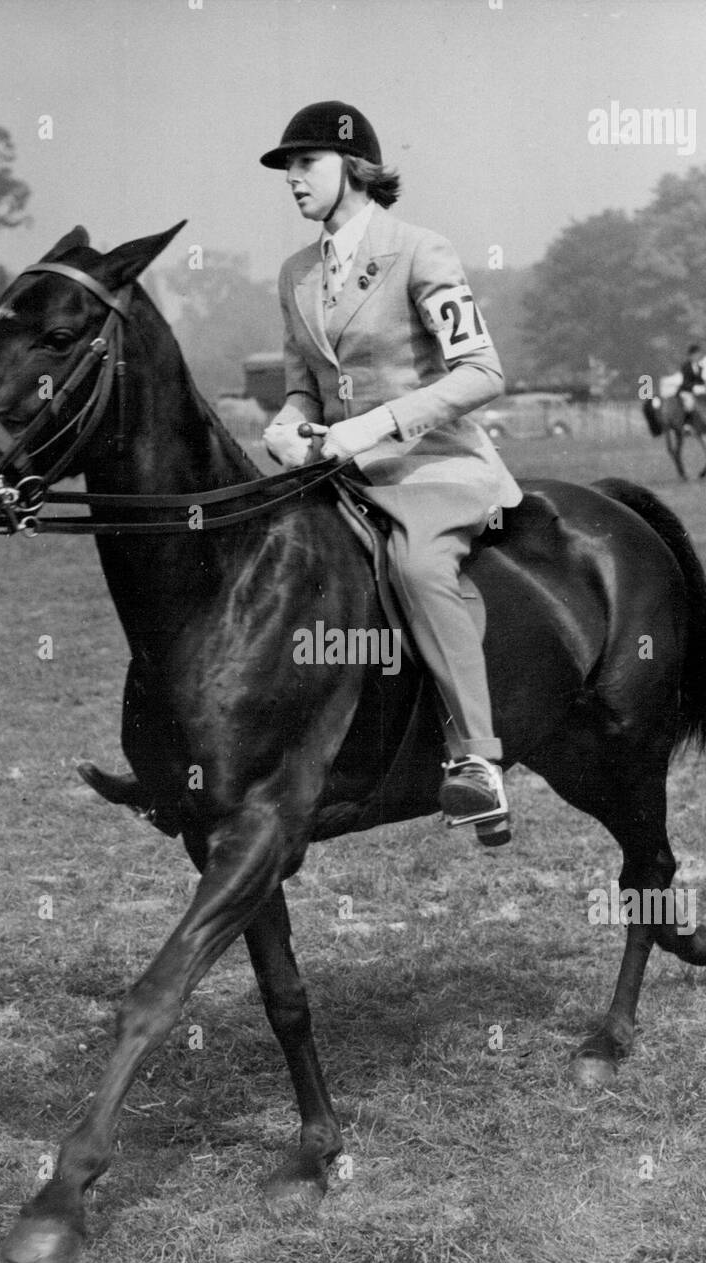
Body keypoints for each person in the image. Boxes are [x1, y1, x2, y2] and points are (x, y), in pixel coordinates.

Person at [259, 101, 522, 842]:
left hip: (434, 469)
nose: (292, 179)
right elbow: (301, 386)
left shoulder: (421, 251)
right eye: (287, 168)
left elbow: (482, 372)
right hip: (339, 474)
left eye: (306, 163)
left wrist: (375, 425)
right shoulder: (295, 274)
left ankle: (479, 763)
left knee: (415, 566)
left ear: (355, 169)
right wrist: (286, 428)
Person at [678, 344, 706, 416]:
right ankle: (687, 423)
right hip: (687, 391)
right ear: (691, 355)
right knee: (689, 404)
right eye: (696, 354)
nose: (698, 356)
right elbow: (685, 381)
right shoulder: (686, 367)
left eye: (699, 354)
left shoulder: (700, 367)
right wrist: (693, 387)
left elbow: (700, 380)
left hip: (698, 391)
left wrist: (705, 384)